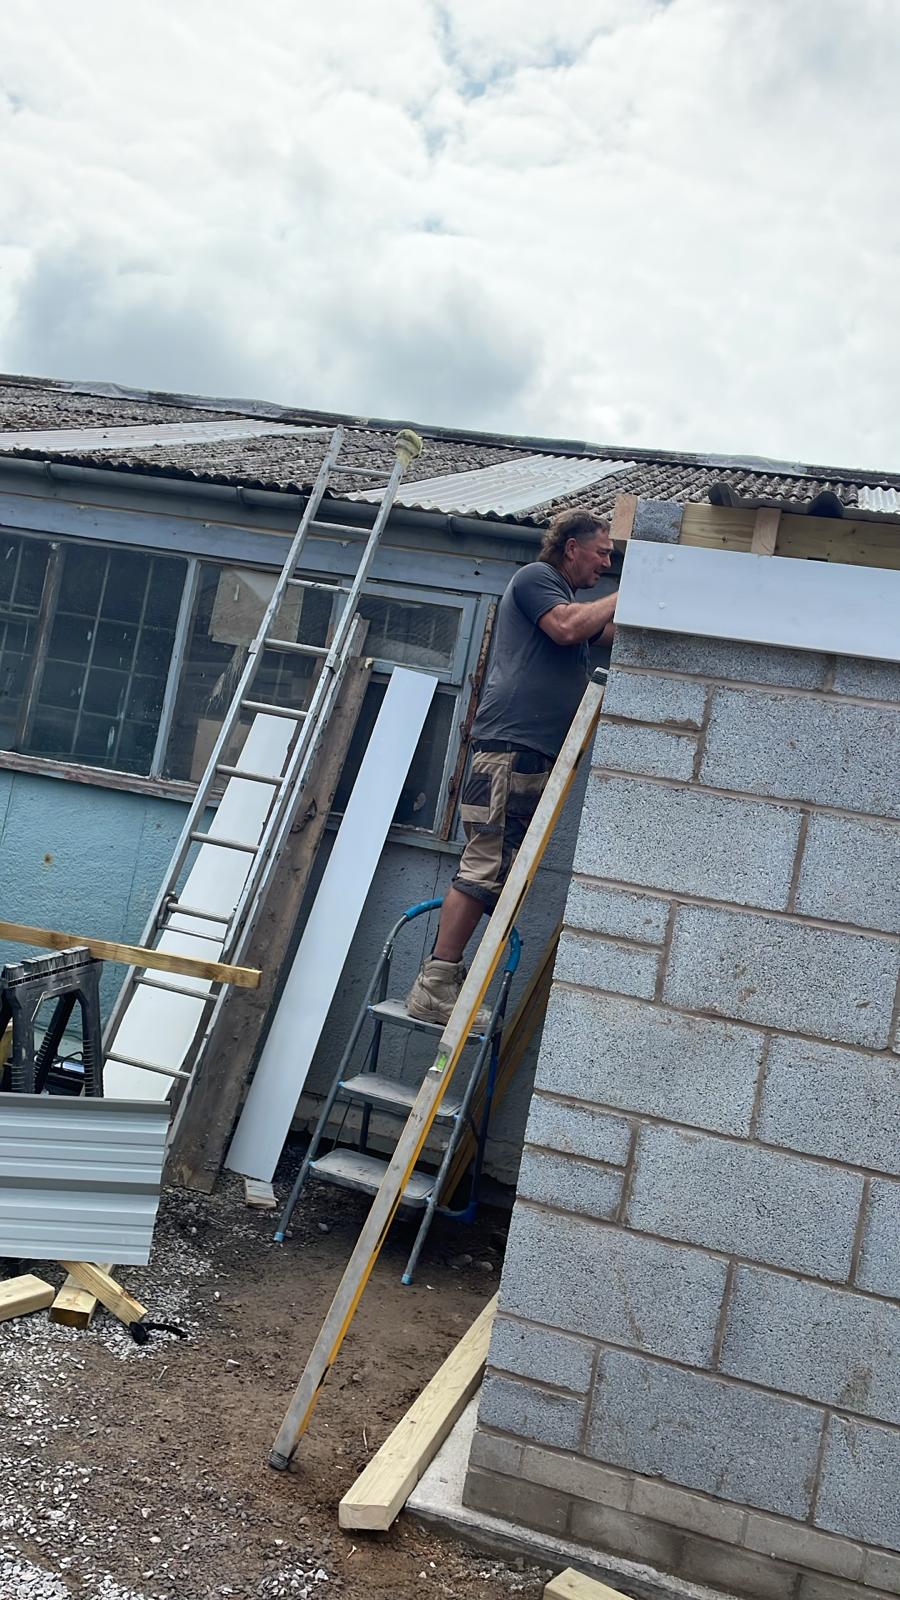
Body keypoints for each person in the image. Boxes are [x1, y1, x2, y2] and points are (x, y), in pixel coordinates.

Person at [406, 507, 617, 1026]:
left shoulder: (565, 599)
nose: (607, 565)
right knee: (484, 864)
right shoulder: (537, 581)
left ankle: (446, 983)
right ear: (572, 547)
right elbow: (568, 629)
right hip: (507, 747)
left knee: (498, 869)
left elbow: (604, 632)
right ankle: (434, 984)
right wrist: (633, 592)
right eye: (602, 553)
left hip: (531, 751)